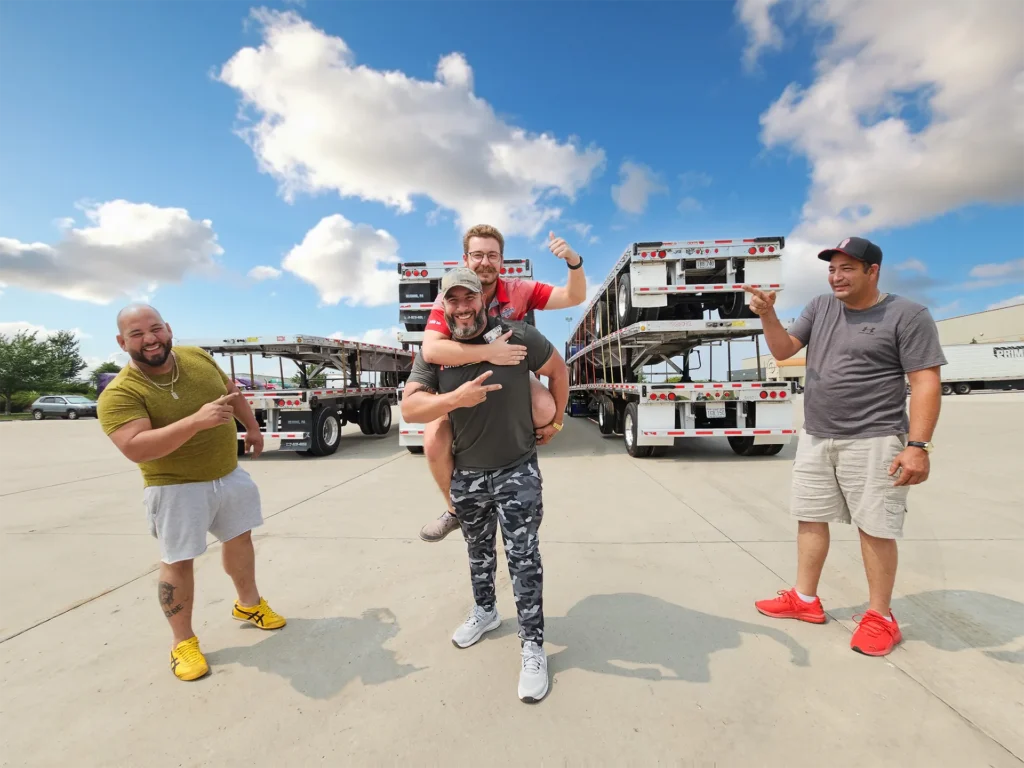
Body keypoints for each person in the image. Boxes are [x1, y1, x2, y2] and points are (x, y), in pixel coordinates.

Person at [747, 237, 946, 657]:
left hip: (875, 437)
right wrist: (768, 314)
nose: (837, 277)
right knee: (810, 516)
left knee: (874, 526)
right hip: (818, 434)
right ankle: (804, 599)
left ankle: (880, 617)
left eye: (847, 269)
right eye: (832, 269)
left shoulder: (907, 315)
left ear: (873, 271)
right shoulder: (820, 307)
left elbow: (925, 380)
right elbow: (784, 351)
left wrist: (918, 446)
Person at [401, 267, 569, 703]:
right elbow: (411, 409)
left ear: (482, 298)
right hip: (469, 475)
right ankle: (486, 612)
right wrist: (456, 399)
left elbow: (558, 369)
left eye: (468, 298)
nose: (461, 307)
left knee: (523, 558)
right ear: (443, 306)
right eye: (452, 300)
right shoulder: (437, 354)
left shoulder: (518, 337)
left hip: (517, 469)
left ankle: (533, 644)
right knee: (477, 553)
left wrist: (555, 421)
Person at [97, 304, 286, 681]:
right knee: (179, 559)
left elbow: (231, 393)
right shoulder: (120, 393)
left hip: (227, 474)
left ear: (168, 329)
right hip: (174, 488)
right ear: (122, 342)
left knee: (240, 539)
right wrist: (195, 423)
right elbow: (137, 447)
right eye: (136, 334)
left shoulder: (197, 357)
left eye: (155, 329)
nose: (149, 339)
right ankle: (182, 642)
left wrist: (251, 427)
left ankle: (248, 605)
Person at [416, 224, 586, 543]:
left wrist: (573, 261)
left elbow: (574, 296)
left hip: (508, 377)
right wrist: (489, 353)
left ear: (502, 261)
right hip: (461, 378)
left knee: (544, 408)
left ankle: (513, 477)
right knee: (434, 442)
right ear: (466, 259)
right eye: (478, 254)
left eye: (492, 255)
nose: (485, 262)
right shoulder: (450, 296)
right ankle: (455, 511)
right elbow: (433, 348)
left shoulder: (520, 290)